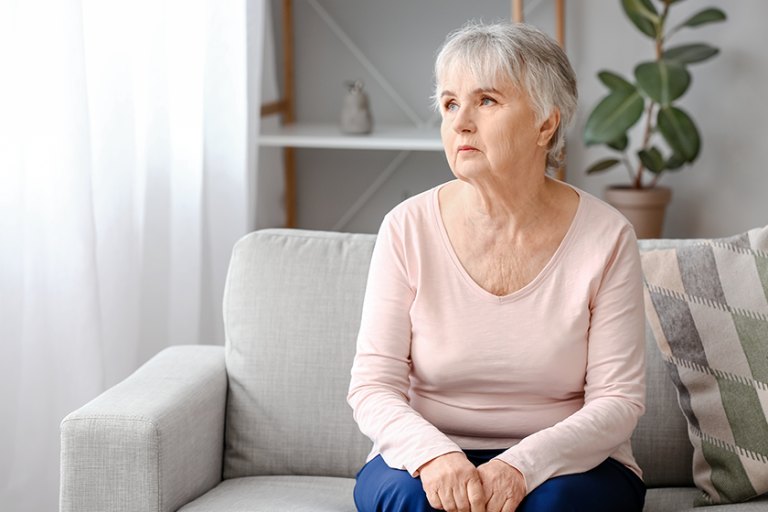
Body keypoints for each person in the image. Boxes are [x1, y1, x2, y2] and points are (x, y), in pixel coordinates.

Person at [347, 21, 646, 512]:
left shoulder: (607, 236)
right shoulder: (406, 227)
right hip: (430, 452)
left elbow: (617, 402)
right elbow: (373, 385)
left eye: (486, 101)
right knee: (411, 500)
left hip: (568, 462)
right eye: (449, 104)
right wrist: (434, 455)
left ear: (545, 125)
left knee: (552, 506)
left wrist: (520, 465)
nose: (461, 121)